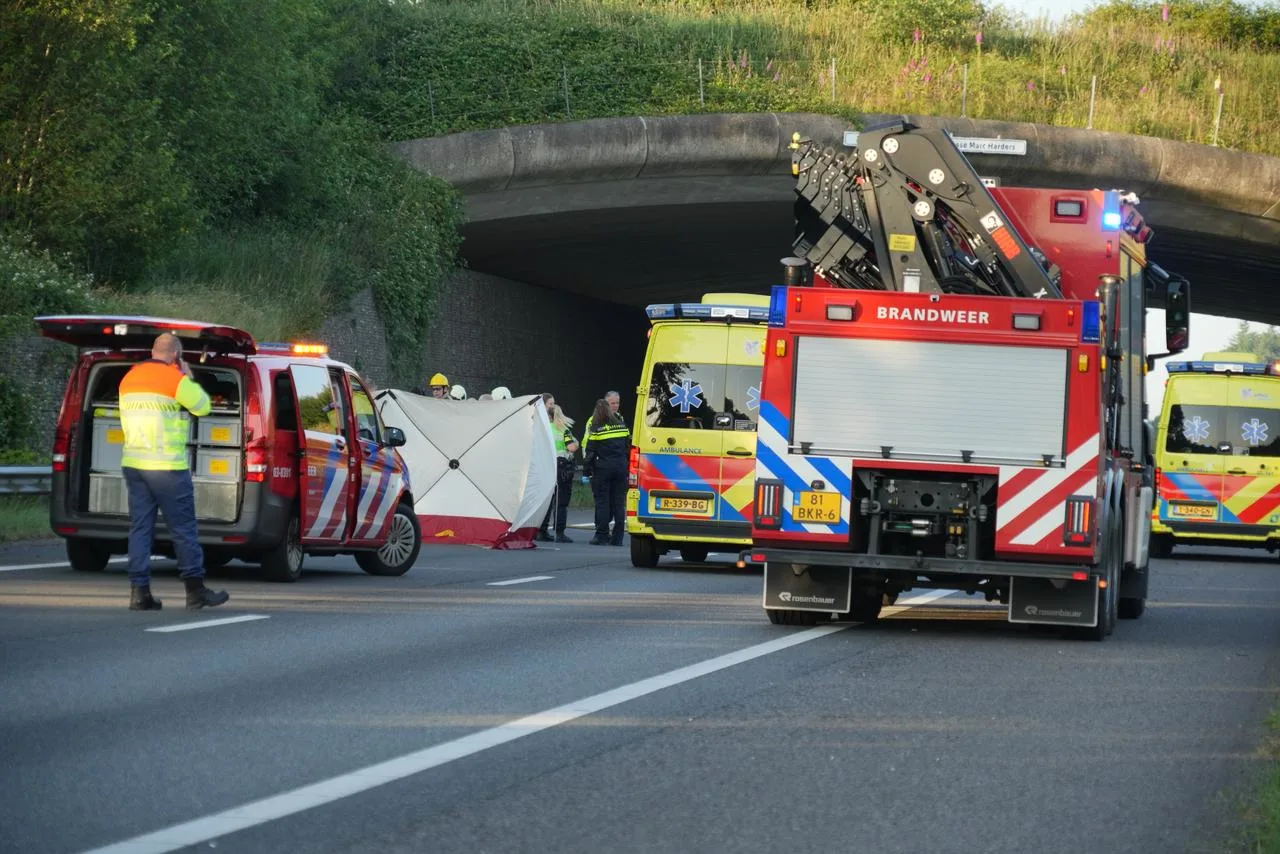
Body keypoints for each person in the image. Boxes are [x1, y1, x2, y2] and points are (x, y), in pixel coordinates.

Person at [118, 333, 230, 611]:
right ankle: (195, 590)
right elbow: (202, 407)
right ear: (177, 355)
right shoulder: (174, 379)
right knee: (182, 529)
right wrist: (187, 377)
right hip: (166, 466)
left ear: (153, 350)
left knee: (140, 528)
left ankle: (139, 593)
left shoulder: (129, 377)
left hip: (134, 463)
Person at [582, 397, 629, 546]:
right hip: (621, 468)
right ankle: (618, 538)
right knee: (619, 503)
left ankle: (602, 535)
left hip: (603, 469)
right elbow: (628, 447)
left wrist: (586, 471)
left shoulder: (597, 428)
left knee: (603, 503)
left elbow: (590, 452)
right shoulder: (622, 426)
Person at [537, 394, 579, 544]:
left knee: (547, 500)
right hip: (562, 467)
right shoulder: (563, 430)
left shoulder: (542, 427)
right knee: (561, 501)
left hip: (546, 465)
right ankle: (559, 532)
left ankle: (541, 530)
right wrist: (576, 443)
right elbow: (571, 447)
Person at [581, 389, 625, 457]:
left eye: (617, 403)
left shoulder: (619, 417)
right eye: (613, 403)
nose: (616, 405)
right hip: (594, 452)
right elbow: (590, 441)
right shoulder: (595, 418)